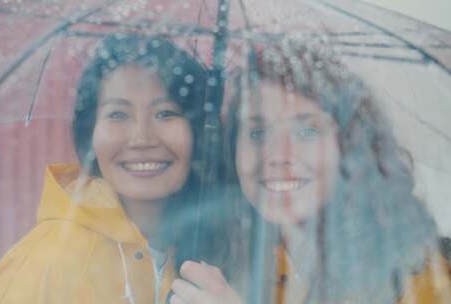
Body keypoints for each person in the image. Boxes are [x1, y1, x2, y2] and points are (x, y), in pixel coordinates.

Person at [170, 41, 451, 304]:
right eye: (257, 132)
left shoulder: (417, 270)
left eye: (306, 130)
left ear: (351, 145)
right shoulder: (227, 260)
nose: (277, 154)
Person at [0, 33, 209, 304]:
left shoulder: (198, 259)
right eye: (118, 114)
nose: (142, 138)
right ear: (90, 134)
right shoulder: (43, 265)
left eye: (165, 113)